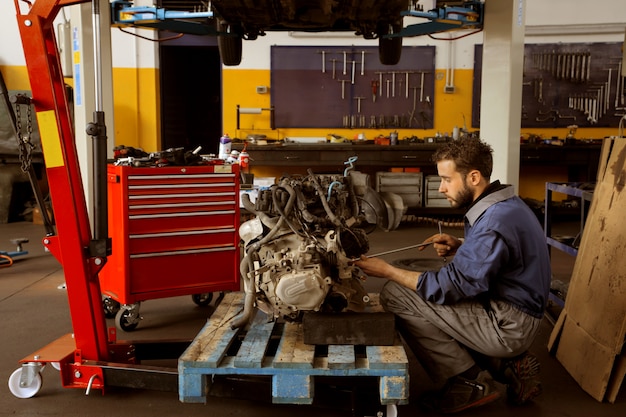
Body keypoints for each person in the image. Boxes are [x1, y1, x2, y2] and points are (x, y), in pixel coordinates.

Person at [354, 138, 551, 413]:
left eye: (447, 179)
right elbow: (503, 254)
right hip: (516, 311)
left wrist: (386, 270)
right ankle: (506, 367)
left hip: (509, 325)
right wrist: (462, 245)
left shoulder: (493, 222)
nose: (441, 188)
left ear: (473, 177)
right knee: (427, 282)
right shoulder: (504, 205)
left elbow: (450, 288)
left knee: (396, 292)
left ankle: (468, 382)